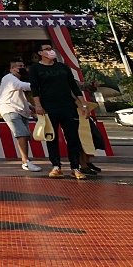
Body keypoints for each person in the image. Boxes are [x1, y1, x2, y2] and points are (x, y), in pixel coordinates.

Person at [30, 44, 87, 179]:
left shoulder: (62, 67)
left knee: (73, 137)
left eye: (51, 49)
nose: (51, 51)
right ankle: (56, 166)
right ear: (40, 53)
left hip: (68, 106)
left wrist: (84, 104)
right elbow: (35, 88)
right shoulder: (35, 68)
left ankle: (75, 167)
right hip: (49, 107)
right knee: (52, 137)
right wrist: (38, 106)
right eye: (47, 49)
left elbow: (73, 86)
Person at [0, 57, 40, 172]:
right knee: (22, 135)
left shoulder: (13, 80)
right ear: (12, 68)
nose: (22, 69)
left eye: (23, 66)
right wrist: (39, 85)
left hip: (20, 111)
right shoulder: (9, 78)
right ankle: (25, 162)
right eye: (19, 67)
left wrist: (29, 106)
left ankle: (26, 160)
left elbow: (18, 95)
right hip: (11, 110)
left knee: (24, 136)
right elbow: (22, 86)